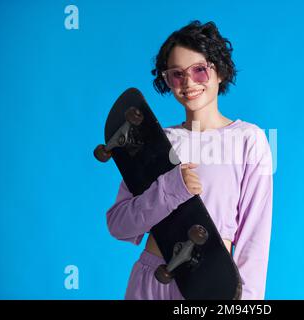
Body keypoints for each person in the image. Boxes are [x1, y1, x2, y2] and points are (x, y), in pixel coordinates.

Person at [106, 20, 273, 300]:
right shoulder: (154, 139)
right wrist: (170, 189)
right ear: (167, 80)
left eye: (199, 70)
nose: (189, 83)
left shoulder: (248, 139)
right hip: (151, 280)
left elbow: (254, 241)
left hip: (209, 285)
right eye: (177, 74)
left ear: (219, 71)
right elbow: (119, 225)